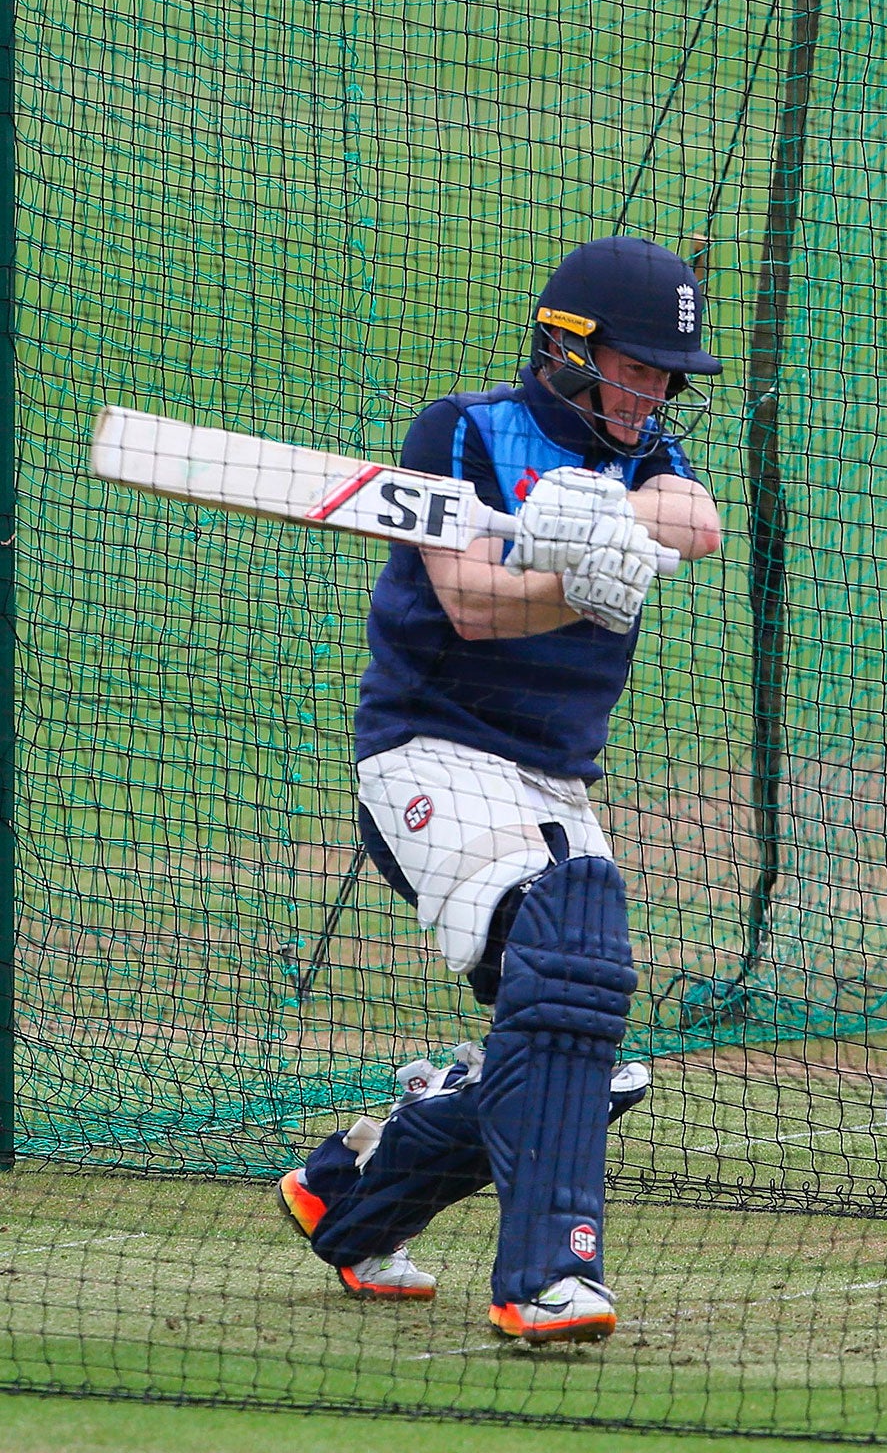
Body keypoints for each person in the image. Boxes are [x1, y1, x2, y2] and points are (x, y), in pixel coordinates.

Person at [274, 235, 724, 1340]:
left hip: (553, 780)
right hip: (429, 751)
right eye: (636, 365)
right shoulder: (460, 430)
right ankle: (543, 1279)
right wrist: (580, 582)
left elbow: (697, 524)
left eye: (668, 375)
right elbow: (470, 603)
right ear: (566, 349)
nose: (654, 391)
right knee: (571, 958)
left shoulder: (645, 446)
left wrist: (592, 529)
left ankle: (353, 1189)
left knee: (581, 1052)